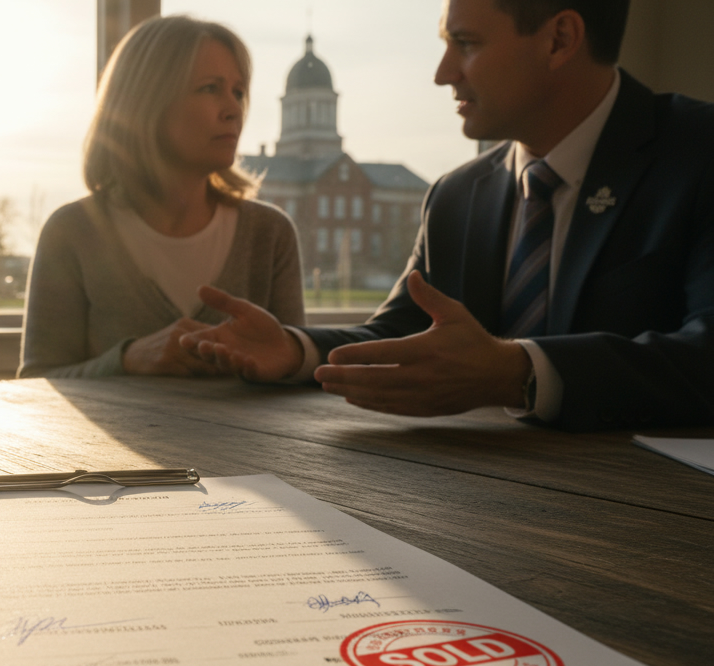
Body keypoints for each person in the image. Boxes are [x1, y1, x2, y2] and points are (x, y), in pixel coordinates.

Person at [181, 0, 714, 431]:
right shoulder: (458, 195)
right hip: (473, 516)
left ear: (560, 40)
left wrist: (519, 373)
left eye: (466, 43)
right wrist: (295, 349)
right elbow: (402, 332)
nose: (442, 74)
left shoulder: (697, 153)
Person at [17, 16, 305, 379]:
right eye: (210, 88)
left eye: (238, 91)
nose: (234, 109)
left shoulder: (270, 234)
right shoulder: (73, 232)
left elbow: (298, 378)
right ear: (145, 101)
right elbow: (36, 384)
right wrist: (127, 360)